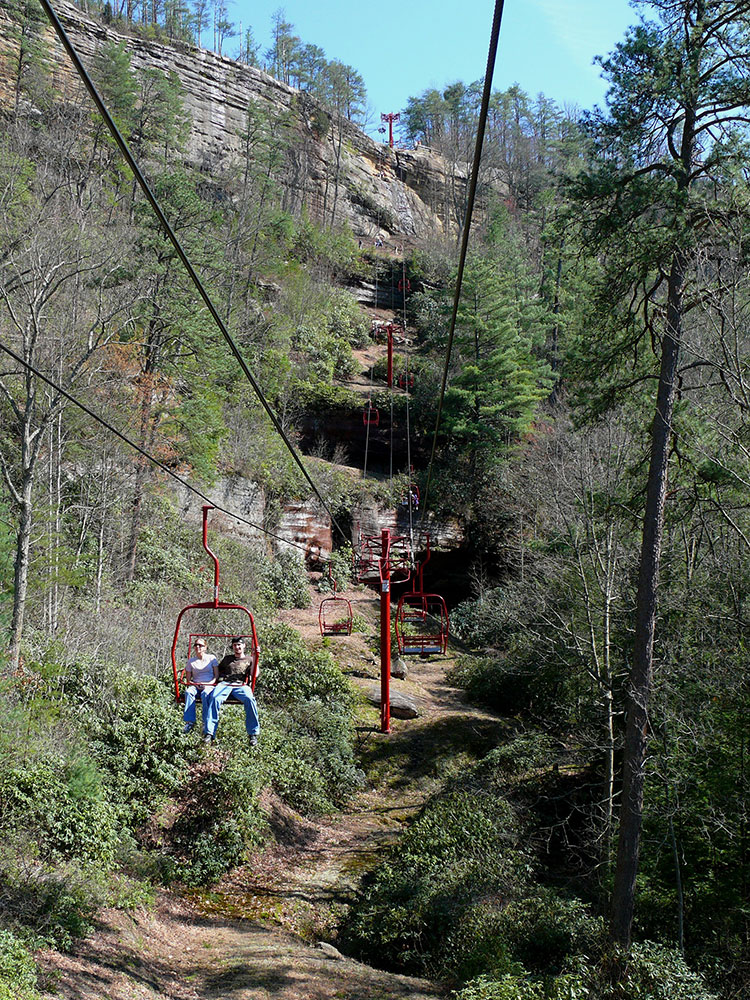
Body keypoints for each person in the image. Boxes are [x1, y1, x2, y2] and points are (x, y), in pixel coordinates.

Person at [203, 636, 260, 747]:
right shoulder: (227, 659)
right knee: (214, 698)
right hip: (225, 684)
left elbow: (255, 675)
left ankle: (253, 733)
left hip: (240, 685)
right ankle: (209, 732)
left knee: (250, 699)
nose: (237, 647)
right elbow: (217, 670)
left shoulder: (250, 659)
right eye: (235, 645)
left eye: (239, 645)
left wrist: (255, 658)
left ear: (244, 646)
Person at [183, 638, 218, 734]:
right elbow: (188, 679)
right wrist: (195, 684)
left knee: (205, 694)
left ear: (205, 648)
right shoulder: (191, 661)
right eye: (196, 645)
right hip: (196, 685)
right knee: (189, 692)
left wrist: (209, 684)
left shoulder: (211, 658)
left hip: (209, 684)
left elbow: (216, 676)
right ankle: (190, 721)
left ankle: (205, 721)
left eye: (200, 645)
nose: (198, 647)